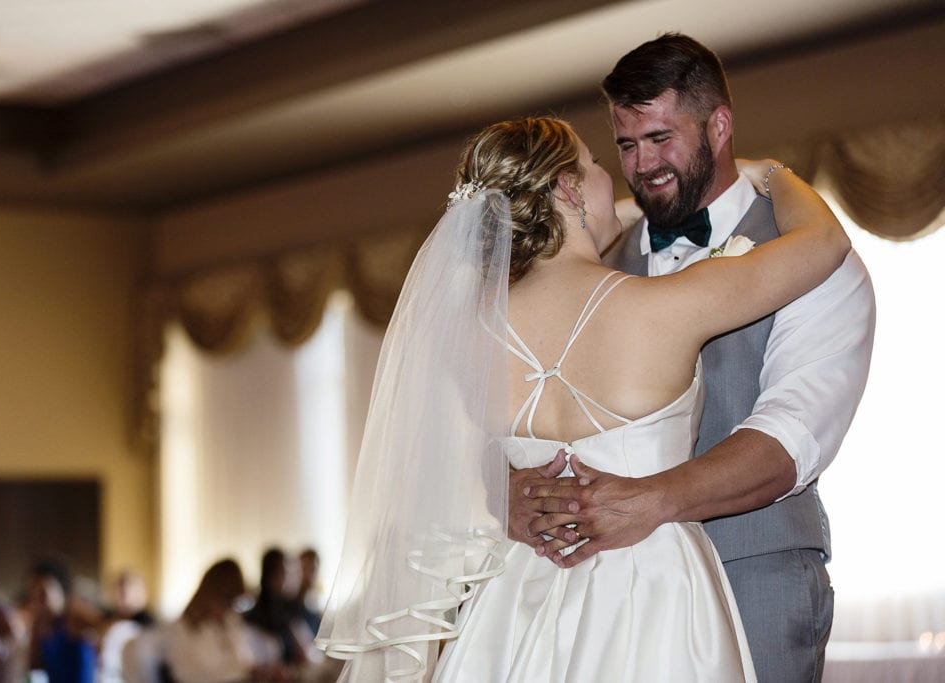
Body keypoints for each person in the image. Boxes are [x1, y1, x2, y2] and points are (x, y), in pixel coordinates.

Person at [318, 112, 852, 680]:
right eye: (596, 164)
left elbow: (439, 471)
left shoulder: (463, 334)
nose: (610, 180)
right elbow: (823, 242)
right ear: (570, 187)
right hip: (650, 591)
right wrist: (770, 174)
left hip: (513, 600)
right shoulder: (664, 308)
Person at [509, 34, 876, 682]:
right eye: (625, 144)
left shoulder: (814, 260)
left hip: (752, 579)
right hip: (602, 591)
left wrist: (651, 498)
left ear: (720, 125)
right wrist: (509, 488)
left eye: (660, 138)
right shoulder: (592, 255)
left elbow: (789, 437)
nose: (642, 164)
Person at [161, 558, 292, 683]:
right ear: (209, 593)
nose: (226, 609)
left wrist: (261, 671)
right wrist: (248, 672)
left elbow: (245, 659)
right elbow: (192, 675)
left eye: (230, 603)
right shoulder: (181, 629)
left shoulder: (230, 622)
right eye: (224, 600)